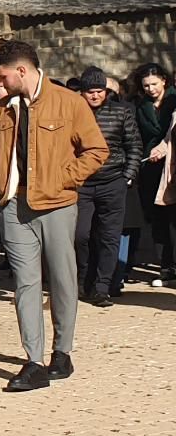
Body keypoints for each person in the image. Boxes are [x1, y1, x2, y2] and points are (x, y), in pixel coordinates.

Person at [0, 40, 108, 392]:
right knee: (25, 283)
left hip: (57, 204)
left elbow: (97, 150)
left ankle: (62, 352)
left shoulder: (69, 103)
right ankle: (33, 362)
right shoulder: (2, 109)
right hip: (13, 205)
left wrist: (63, 178)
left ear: (21, 71)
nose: (0, 82)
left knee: (62, 279)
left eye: (3, 76)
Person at [76, 67, 140, 307]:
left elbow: (134, 145)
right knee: (80, 235)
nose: (95, 96)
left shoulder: (122, 111)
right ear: (82, 92)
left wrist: (127, 176)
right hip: (81, 183)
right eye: (90, 91)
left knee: (109, 237)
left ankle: (103, 287)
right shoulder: (73, 114)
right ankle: (83, 281)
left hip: (113, 181)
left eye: (99, 91)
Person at [131, 63, 176, 285]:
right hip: (152, 165)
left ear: (164, 81)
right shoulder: (140, 106)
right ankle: (165, 267)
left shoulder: (174, 100)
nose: (150, 89)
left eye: (154, 84)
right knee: (158, 219)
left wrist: (166, 145)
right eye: (146, 85)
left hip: (173, 163)